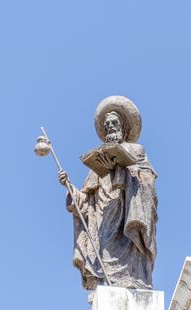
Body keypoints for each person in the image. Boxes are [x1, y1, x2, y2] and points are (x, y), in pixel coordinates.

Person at [59, 96, 158, 290]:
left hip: (127, 211)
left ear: (123, 126)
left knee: (130, 246)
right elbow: (87, 204)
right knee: (102, 256)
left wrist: (127, 169)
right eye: (107, 124)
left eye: (114, 123)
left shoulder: (136, 150)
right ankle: (104, 281)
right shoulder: (97, 161)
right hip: (103, 220)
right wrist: (69, 187)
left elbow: (148, 180)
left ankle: (133, 278)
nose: (110, 127)